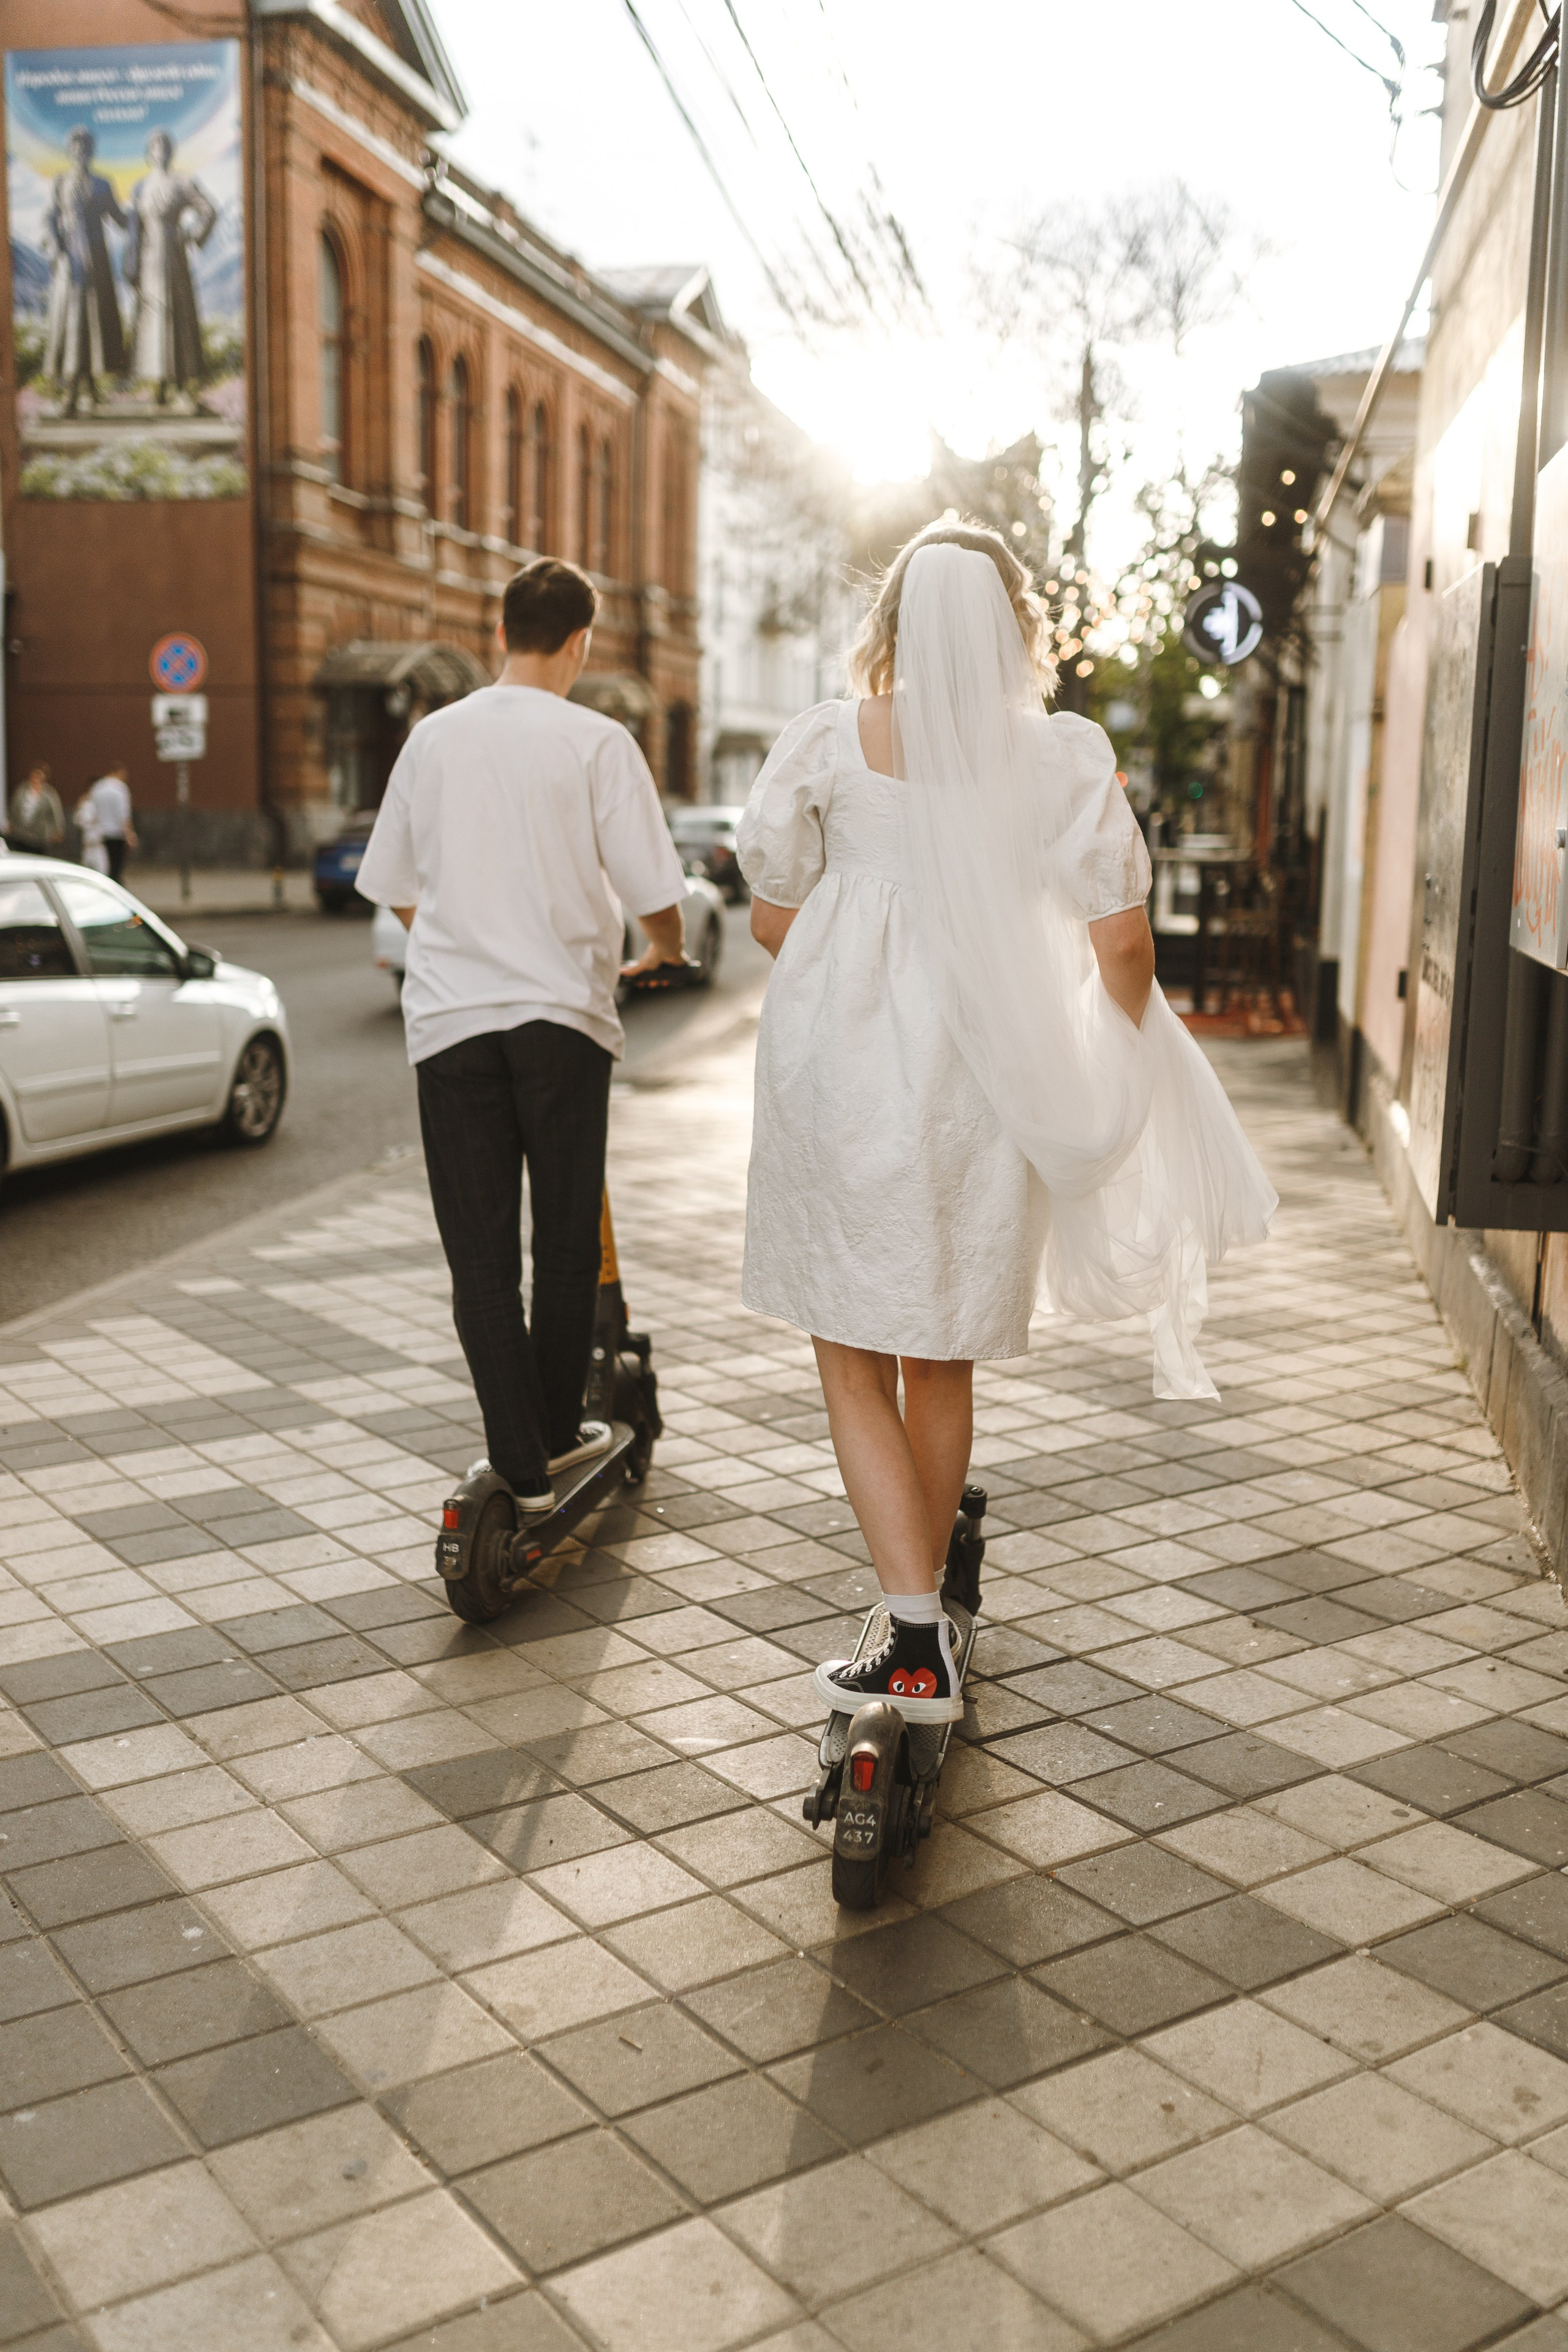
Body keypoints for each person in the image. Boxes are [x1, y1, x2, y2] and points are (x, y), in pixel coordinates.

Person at [739, 524, 1276, 1724]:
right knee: (939, 1351)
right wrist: (1106, 1047)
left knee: (847, 1349)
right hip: (982, 1076)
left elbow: (773, 920)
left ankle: (910, 1633)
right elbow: (1123, 941)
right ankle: (918, 1620)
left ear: (894, 624)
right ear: (1010, 625)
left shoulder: (827, 738)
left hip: (837, 1067)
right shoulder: (1056, 756)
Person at [357, 557, 690, 1512]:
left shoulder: (432, 739)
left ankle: (519, 1462)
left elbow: (399, 887)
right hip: (563, 1023)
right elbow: (655, 895)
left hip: (451, 1028)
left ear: (500, 633)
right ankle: (550, 1440)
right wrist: (661, 950)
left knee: (481, 1258)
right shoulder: (597, 741)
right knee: (565, 1252)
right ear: (580, 644)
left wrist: (466, 949)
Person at [124, 130, 217, 407]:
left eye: (165, 147)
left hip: (174, 255)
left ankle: (181, 386)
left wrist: (193, 235)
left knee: (177, 315)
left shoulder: (183, 182)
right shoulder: (140, 187)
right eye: (155, 147)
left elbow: (209, 211)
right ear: (149, 153)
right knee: (152, 316)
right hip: (148, 257)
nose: (160, 151)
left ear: (171, 152)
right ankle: (159, 385)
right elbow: (134, 229)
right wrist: (132, 263)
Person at [43, 127, 127, 415]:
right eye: (76, 147)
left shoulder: (103, 184)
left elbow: (120, 219)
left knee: (94, 322)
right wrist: (55, 246)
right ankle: (70, 391)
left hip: (97, 261)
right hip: (70, 262)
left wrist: (143, 216)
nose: (81, 152)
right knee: (70, 322)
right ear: (70, 152)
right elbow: (50, 218)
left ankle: (91, 389)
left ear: (92, 152)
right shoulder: (60, 182)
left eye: (86, 147)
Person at [77, 765, 137, 882]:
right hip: (117, 834)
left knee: (103, 867)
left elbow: (92, 811)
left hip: (101, 834)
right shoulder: (120, 788)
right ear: (119, 772)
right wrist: (129, 834)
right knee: (116, 867)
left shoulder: (98, 787)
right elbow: (124, 814)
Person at [8, 765, 66, 857]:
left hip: (39, 835)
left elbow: (55, 812)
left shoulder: (48, 794)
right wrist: (11, 822)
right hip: (22, 833)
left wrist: (58, 830)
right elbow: (15, 807)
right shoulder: (23, 790)